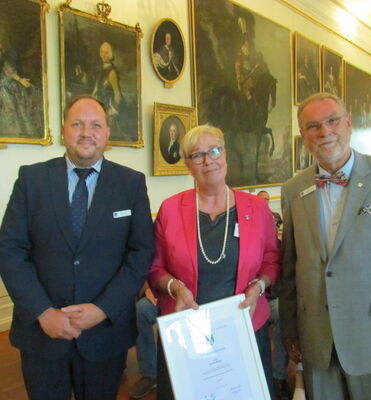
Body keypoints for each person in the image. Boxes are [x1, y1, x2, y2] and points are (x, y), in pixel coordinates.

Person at [0, 95, 154, 400]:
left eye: (96, 125)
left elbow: (140, 254)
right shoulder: (31, 179)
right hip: (41, 334)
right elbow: (10, 250)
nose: (87, 132)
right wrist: (43, 311)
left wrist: (103, 308)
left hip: (105, 334)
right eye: (77, 124)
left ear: (107, 132)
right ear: (63, 130)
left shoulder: (131, 184)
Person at [280, 92, 371, 400]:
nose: (325, 132)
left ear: (349, 123)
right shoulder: (293, 189)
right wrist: (290, 329)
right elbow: (290, 267)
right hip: (318, 338)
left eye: (333, 121)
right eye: (313, 126)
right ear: (303, 137)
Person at [148, 124, 281, 399]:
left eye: (214, 151)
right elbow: (155, 267)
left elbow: (271, 259)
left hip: (243, 326)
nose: (208, 161)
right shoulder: (171, 209)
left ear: (225, 154)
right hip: (186, 329)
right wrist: (175, 287)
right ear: (187, 165)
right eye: (197, 155)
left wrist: (259, 285)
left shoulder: (256, 208)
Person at [257, 191, 291, 400]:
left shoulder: (279, 243)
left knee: (283, 315)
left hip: (271, 297)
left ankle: (278, 376)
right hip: (246, 297)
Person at [92, 42, 128, 140]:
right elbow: (95, 91)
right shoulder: (100, 71)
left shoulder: (112, 72)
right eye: (102, 52)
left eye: (106, 53)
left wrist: (112, 112)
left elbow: (117, 94)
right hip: (100, 112)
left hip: (109, 111)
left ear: (110, 54)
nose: (104, 55)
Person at [129, 283, 158, 399]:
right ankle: (149, 374)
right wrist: (149, 287)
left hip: (199, 293)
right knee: (142, 309)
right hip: (164, 289)